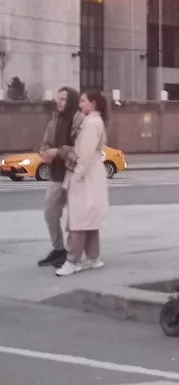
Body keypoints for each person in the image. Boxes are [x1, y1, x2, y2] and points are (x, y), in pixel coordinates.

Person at [55, 90, 109, 275]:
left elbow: (85, 154)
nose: (80, 105)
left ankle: (73, 260)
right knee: (90, 218)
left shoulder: (90, 123)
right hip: (93, 174)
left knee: (78, 219)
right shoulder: (97, 121)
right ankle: (93, 257)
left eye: (83, 101)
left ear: (93, 103)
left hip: (86, 175)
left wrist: (76, 174)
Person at [37, 86, 82, 268]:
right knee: (50, 213)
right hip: (56, 174)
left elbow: (81, 148)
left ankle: (72, 254)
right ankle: (58, 249)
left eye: (63, 98)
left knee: (74, 217)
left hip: (74, 175)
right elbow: (46, 142)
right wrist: (44, 152)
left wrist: (59, 151)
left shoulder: (79, 119)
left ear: (71, 100)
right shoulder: (54, 119)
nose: (59, 102)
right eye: (58, 98)